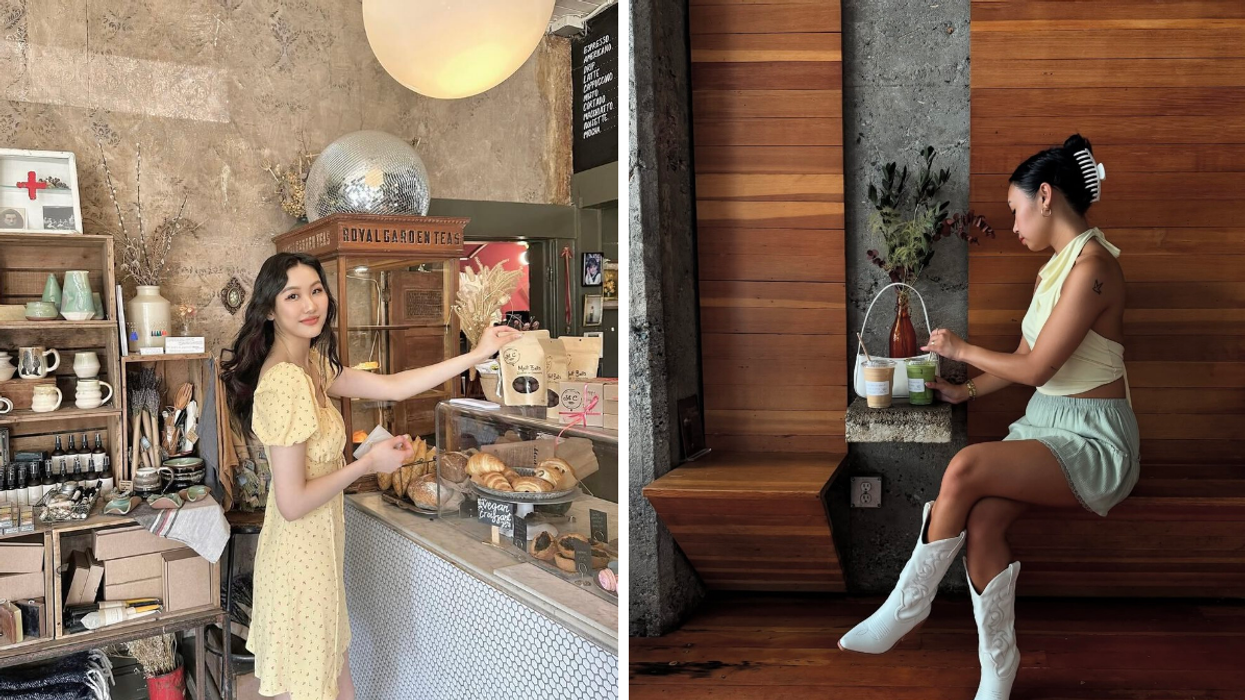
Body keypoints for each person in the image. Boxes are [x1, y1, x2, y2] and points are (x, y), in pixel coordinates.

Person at [837, 135, 1139, 700]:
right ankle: (998, 669)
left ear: (1044, 196)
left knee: (967, 466)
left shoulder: (1092, 270)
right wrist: (967, 391)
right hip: (1047, 426)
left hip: (1094, 441)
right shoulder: (1057, 269)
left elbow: (1038, 366)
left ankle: (906, 607)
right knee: (982, 522)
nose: (1015, 224)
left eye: (1016, 210)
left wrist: (961, 349)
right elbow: (1028, 361)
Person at [221, 252, 520, 700]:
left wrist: (476, 354)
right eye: (293, 295)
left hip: (320, 555)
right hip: (298, 563)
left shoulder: (312, 368)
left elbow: (395, 384)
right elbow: (291, 501)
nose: (310, 305)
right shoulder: (285, 381)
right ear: (268, 309)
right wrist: (366, 464)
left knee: (338, 687)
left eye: (316, 290)